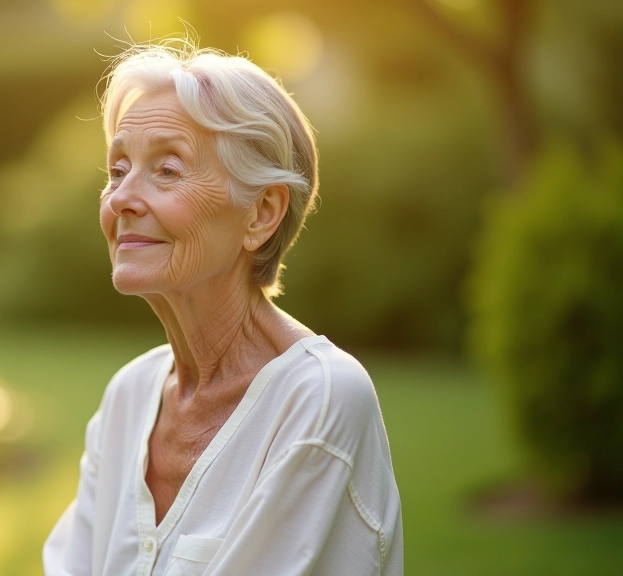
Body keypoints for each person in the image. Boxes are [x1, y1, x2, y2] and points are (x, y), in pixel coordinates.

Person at [43, 39, 403, 576]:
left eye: (167, 170)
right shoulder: (129, 397)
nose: (121, 198)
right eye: (118, 170)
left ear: (261, 213)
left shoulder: (320, 398)